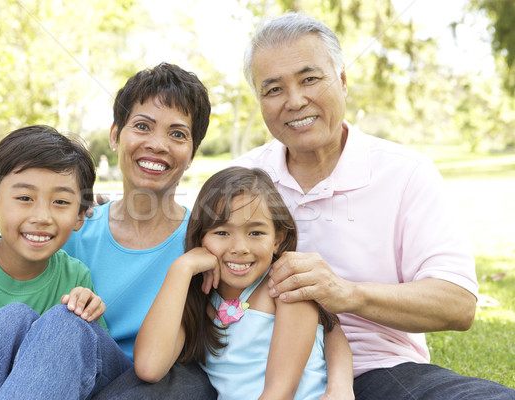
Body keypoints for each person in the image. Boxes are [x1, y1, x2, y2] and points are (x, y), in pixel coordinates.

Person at [231, 11, 515, 399]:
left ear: (342, 80)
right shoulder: (241, 176)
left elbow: (458, 303)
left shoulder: (405, 172)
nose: (295, 101)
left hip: (379, 371)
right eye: (273, 89)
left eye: (310, 78)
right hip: (247, 374)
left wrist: (349, 293)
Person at [0, 125, 129, 399]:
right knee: (14, 317)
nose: (42, 216)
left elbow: (88, 365)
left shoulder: (75, 276)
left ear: (79, 217)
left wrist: (88, 313)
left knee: (62, 318)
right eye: (25, 198)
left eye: (61, 201)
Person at [61, 62, 217, 399]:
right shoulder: (73, 230)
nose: (158, 144)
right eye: (143, 126)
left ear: (192, 154)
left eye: (178, 134)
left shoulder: (204, 244)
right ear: (115, 136)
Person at [134, 166, 354, 399]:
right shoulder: (197, 298)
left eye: (256, 233)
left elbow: (280, 391)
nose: (239, 248)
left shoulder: (286, 289)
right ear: (200, 237)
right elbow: (149, 367)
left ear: (277, 239)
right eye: (221, 232)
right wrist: (181, 268)